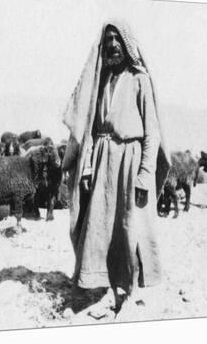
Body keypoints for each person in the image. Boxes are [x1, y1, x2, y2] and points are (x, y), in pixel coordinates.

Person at [62, 20, 170, 317]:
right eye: (108, 40)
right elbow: (92, 132)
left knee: (130, 229)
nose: (111, 45)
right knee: (100, 229)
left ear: (127, 43)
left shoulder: (139, 80)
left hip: (130, 161)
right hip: (102, 162)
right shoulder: (102, 82)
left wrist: (145, 172)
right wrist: (86, 170)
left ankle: (131, 291)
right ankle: (108, 289)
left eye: (117, 39)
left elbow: (153, 132)